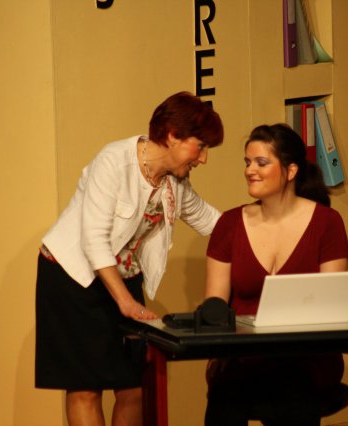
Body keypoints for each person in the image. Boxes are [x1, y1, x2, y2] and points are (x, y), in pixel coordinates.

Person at [35, 91, 224, 426]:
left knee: (133, 387)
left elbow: (212, 222)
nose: (204, 158)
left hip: (123, 277)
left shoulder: (174, 181)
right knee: (85, 388)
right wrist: (125, 301)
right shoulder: (114, 161)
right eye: (201, 146)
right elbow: (94, 240)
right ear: (173, 136)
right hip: (72, 278)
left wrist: (267, 224)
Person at [203, 123, 348, 426]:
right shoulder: (229, 224)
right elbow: (214, 303)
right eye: (247, 162)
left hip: (304, 358)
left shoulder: (327, 223)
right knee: (224, 405)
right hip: (243, 357)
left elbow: (331, 303)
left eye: (261, 162)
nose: (250, 171)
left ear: (290, 170)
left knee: (293, 395)